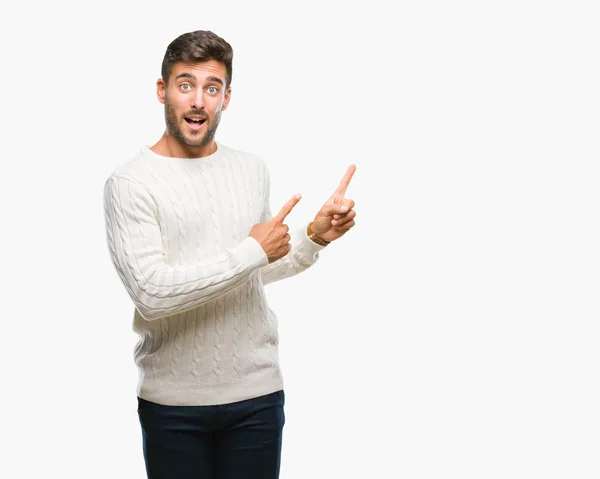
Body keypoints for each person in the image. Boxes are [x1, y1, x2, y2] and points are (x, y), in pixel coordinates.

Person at [103, 29, 357, 479]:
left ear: (226, 97)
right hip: (173, 406)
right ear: (163, 90)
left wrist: (315, 237)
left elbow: (254, 269)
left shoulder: (250, 169)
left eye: (211, 87)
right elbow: (151, 292)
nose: (198, 100)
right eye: (185, 85)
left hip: (256, 397)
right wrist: (251, 252)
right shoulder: (131, 182)